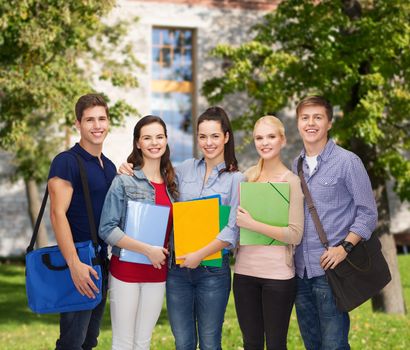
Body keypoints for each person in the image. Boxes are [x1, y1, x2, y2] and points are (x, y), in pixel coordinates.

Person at [120, 106, 244, 350]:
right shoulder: (184, 169)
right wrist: (129, 168)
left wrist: (200, 255)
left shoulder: (236, 179)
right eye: (202, 136)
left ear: (226, 137)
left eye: (215, 136)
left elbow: (233, 230)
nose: (208, 143)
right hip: (177, 272)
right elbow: (154, 181)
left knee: (210, 343)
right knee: (183, 343)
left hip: (212, 271)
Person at [293, 96, 377, 350]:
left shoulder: (348, 162)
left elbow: (368, 214)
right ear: (298, 123)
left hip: (331, 272)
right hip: (300, 273)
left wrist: (344, 248)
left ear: (329, 123)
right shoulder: (294, 166)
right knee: (312, 345)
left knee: (334, 345)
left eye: (318, 117)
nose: (311, 123)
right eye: (305, 118)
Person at [99, 115, 177, 350]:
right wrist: (147, 250)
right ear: (138, 143)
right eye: (147, 137)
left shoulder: (173, 183)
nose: (154, 142)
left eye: (159, 137)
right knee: (123, 343)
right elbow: (107, 228)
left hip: (157, 274)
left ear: (166, 140)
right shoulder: (125, 180)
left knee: (143, 342)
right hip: (126, 272)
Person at [48, 93, 117, 350]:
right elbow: (57, 214)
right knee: (71, 342)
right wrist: (74, 264)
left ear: (108, 122)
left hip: (102, 265)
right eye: (89, 120)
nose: (97, 125)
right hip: (78, 264)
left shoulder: (108, 167)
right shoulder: (66, 162)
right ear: (78, 124)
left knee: (89, 341)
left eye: (101, 119)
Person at [233, 116, 304, 350]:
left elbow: (294, 234)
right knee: (251, 344)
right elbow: (233, 224)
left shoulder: (292, 182)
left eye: (271, 137)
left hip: (278, 278)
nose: (265, 143)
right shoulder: (247, 178)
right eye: (259, 138)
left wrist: (252, 224)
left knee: (275, 345)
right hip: (244, 275)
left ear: (282, 140)